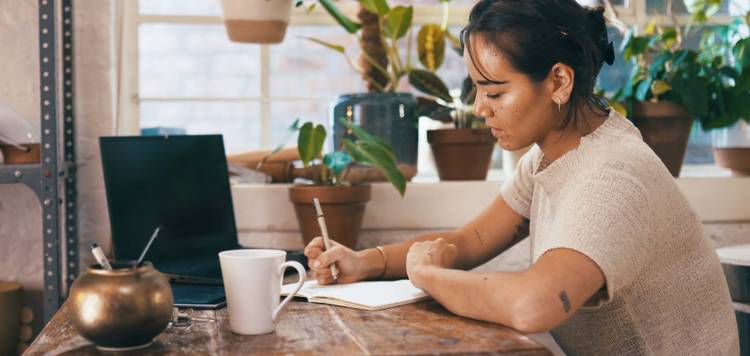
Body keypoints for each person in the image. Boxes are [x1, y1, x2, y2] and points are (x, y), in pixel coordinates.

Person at [303, 0, 739, 354]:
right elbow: (471, 240)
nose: (479, 108)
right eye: (477, 90)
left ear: (558, 82)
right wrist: (367, 261)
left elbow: (534, 305)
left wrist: (429, 276)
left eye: (495, 92)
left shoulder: (613, 178)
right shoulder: (557, 151)